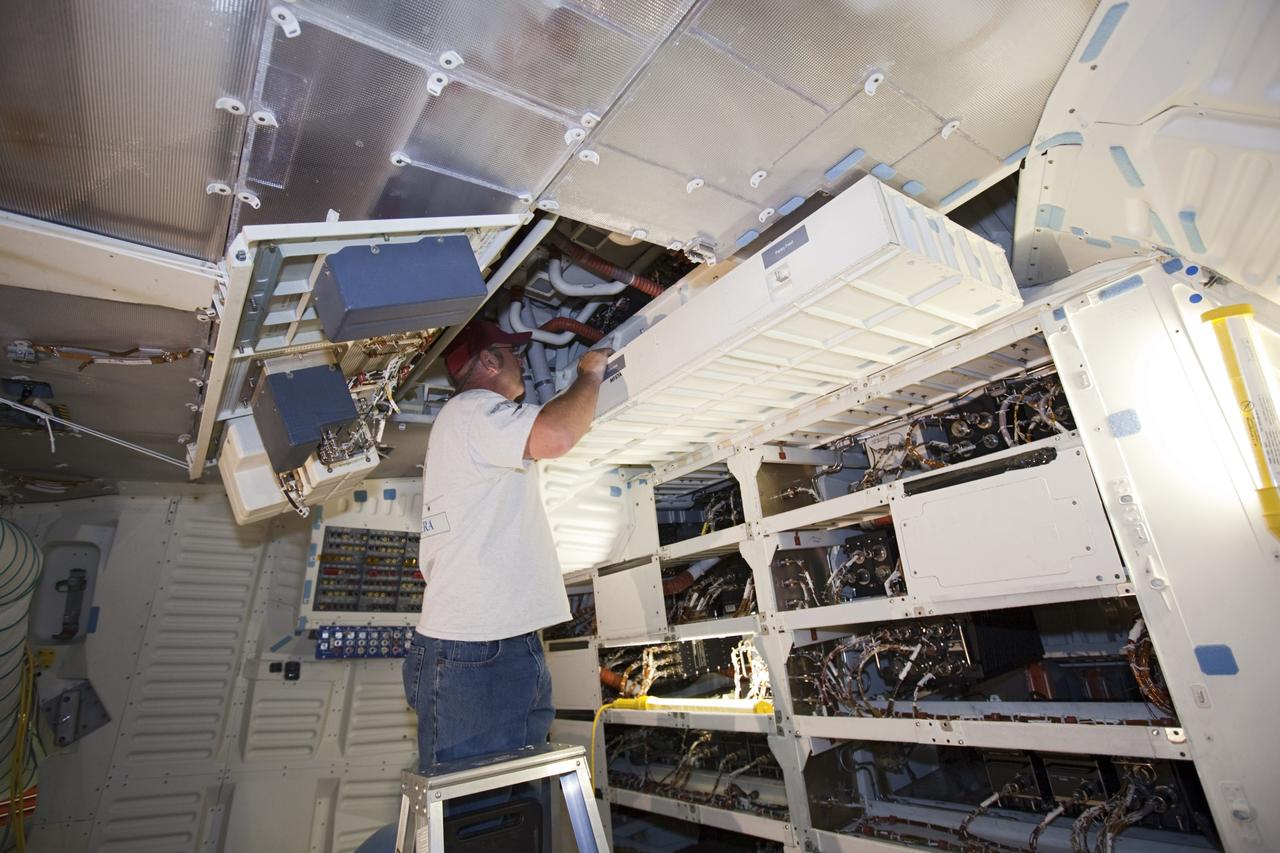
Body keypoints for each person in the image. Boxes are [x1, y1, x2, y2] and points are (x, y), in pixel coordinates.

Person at [404, 319, 612, 771]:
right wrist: (590, 374)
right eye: (513, 352)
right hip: (475, 650)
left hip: (493, 644)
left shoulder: (466, 424)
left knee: (514, 796)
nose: (521, 361)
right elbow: (555, 435)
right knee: (484, 801)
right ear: (489, 360)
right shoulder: (471, 410)